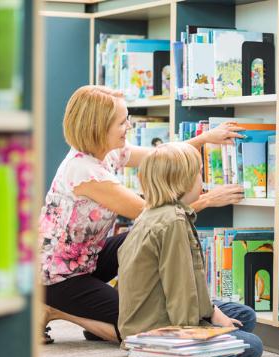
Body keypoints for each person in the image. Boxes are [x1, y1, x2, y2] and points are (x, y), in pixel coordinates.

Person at [39, 85, 245, 343]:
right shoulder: (85, 172)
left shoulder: (108, 152)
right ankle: (55, 309)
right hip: (57, 276)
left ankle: (106, 310)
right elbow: (154, 216)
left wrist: (204, 139)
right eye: (122, 122)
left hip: (86, 258)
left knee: (135, 239)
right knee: (135, 328)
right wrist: (208, 200)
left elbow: (161, 157)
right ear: (98, 127)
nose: (129, 126)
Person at [117, 142, 263, 357]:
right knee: (253, 346)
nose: (202, 182)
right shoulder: (173, 221)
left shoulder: (152, 214)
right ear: (182, 182)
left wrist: (213, 312)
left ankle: (188, 335)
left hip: (146, 316)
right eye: (199, 174)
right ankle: (161, 351)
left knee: (245, 315)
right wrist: (197, 332)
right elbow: (180, 289)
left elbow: (187, 282)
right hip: (158, 329)